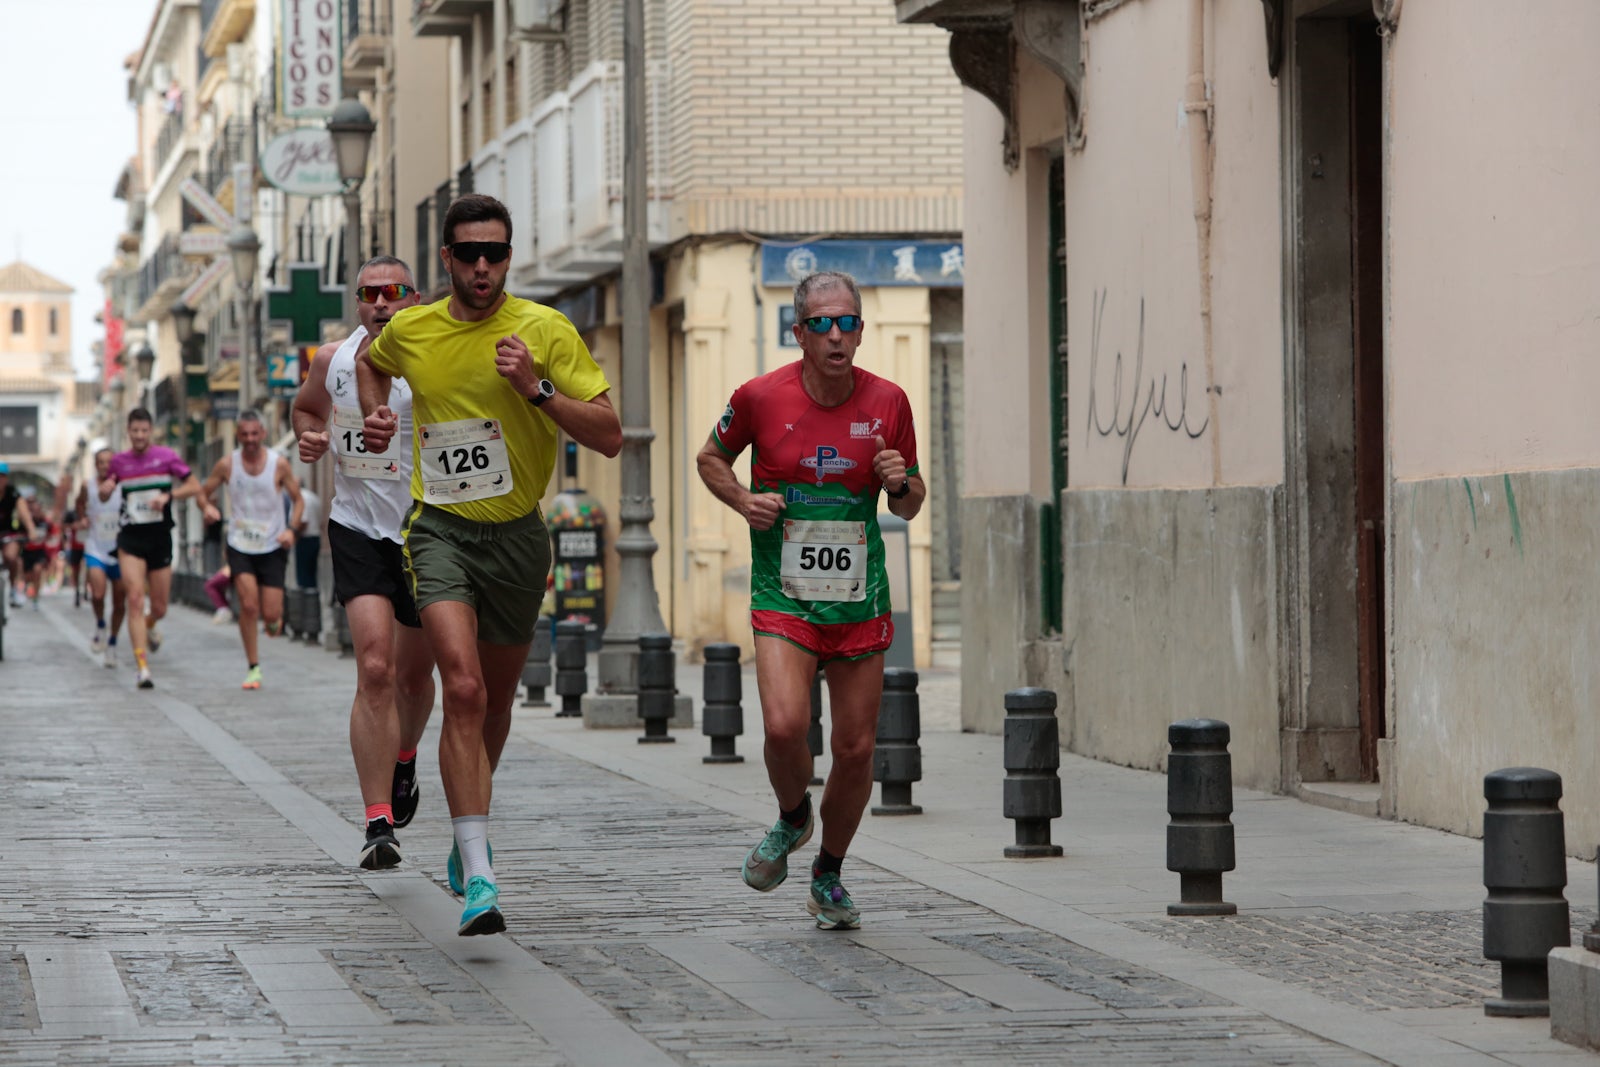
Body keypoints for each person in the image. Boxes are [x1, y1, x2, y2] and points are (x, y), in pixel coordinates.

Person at [357, 194, 621, 935]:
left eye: (496, 253)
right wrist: (380, 413)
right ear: (445, 258)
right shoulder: (412, 327)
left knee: (495, 705)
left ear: (510, 254)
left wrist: (536, 388)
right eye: (468, 253)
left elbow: (609, 435)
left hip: (518, 536)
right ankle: (480, 875)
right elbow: (372, 361)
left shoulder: (544, 330)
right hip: (438, 527)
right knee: (463, 688)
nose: (482, 266)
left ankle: (464, 828)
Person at [697, 270, 924, 931]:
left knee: (855, 750)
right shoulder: (760, 397)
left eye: (847, 322)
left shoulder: (889, 402)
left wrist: (900, 479)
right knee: (782, 727)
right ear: (798, 332)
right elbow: (712, 457)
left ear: (860, 330)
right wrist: (743, 500)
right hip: (783, 593)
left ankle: (828, 869)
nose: (835, 334)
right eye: (820, 323)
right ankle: (793, 815)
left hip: (859, 599)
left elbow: (910, 503)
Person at [294, 254, 439, 871]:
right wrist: (311, 438)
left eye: (393, 292)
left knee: (414, 678)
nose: (380, 303)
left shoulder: (436, 354)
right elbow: (305, 410)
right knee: (375, 667)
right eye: (368, 294)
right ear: (357, 302)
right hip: (356, 527)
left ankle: (404, 754)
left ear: (414, 297)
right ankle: (377, 820)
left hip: (428, 531)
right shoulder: (332, 361)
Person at [196, 410, 302, 690]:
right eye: (245, 434)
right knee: (249, 605)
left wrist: (291, 529)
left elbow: (298, 500)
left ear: (263, 434)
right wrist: (206, 507)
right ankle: (253, 667)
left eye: (255, 434)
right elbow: (202, 492)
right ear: (238, 436)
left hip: (272, 545)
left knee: (269, 614)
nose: (251, 439)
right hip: (240, 544)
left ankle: (274, 619)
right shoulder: (227, 464)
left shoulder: (278, 464)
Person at [102, 406, 207, 689]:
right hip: (130, 538)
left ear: (150, 431)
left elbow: (194, 486)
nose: (139, 436)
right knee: (134, 598)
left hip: (160, 536)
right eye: (134, 431)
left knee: (159, 607)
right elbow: (107, 486)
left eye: (144, 431)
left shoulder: (167, 457)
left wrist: (168, 495)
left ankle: (149, 625)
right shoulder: (119, 462)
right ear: (128, 431)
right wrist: (106, 489)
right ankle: (142, 667)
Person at [79, 448, 127, 667]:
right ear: (95, 464)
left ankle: (113, 643)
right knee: (97, 594)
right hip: (96, 547)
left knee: (119, 602)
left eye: (109, 462)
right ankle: (100, 624)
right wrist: (83, 518)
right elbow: (80, 504)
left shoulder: (124, 484)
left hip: (120, 550)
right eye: (101, 462)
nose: (105, 466)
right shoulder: (87, 486)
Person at [0, 462, 38, 608]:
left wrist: (31, 529)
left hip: (8, 533)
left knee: (11, 556)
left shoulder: (12, 492)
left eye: (2, 477)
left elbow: (23, 512)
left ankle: (13, 588)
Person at [294, 484, 322, 591]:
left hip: (304, 538)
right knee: (312, 571)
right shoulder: (313, 497)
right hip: (316, 536)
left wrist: (294, 536)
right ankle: (312, 602)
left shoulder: (300, 498)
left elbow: (303, 521)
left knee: (304, 574)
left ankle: (306, 605)